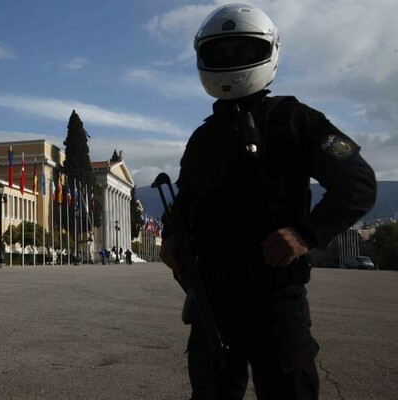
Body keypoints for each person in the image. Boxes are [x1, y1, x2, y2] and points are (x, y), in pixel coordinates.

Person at [159, 4, 376, 399]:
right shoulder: (202, 138)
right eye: (220, 53)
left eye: (243, 50)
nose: (231, 61)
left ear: (270, 51)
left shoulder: (297, 120)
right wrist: (170, 238)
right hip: (212, 301)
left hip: (274, 298)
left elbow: (358, 184)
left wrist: (306, 233)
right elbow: (186, 200)